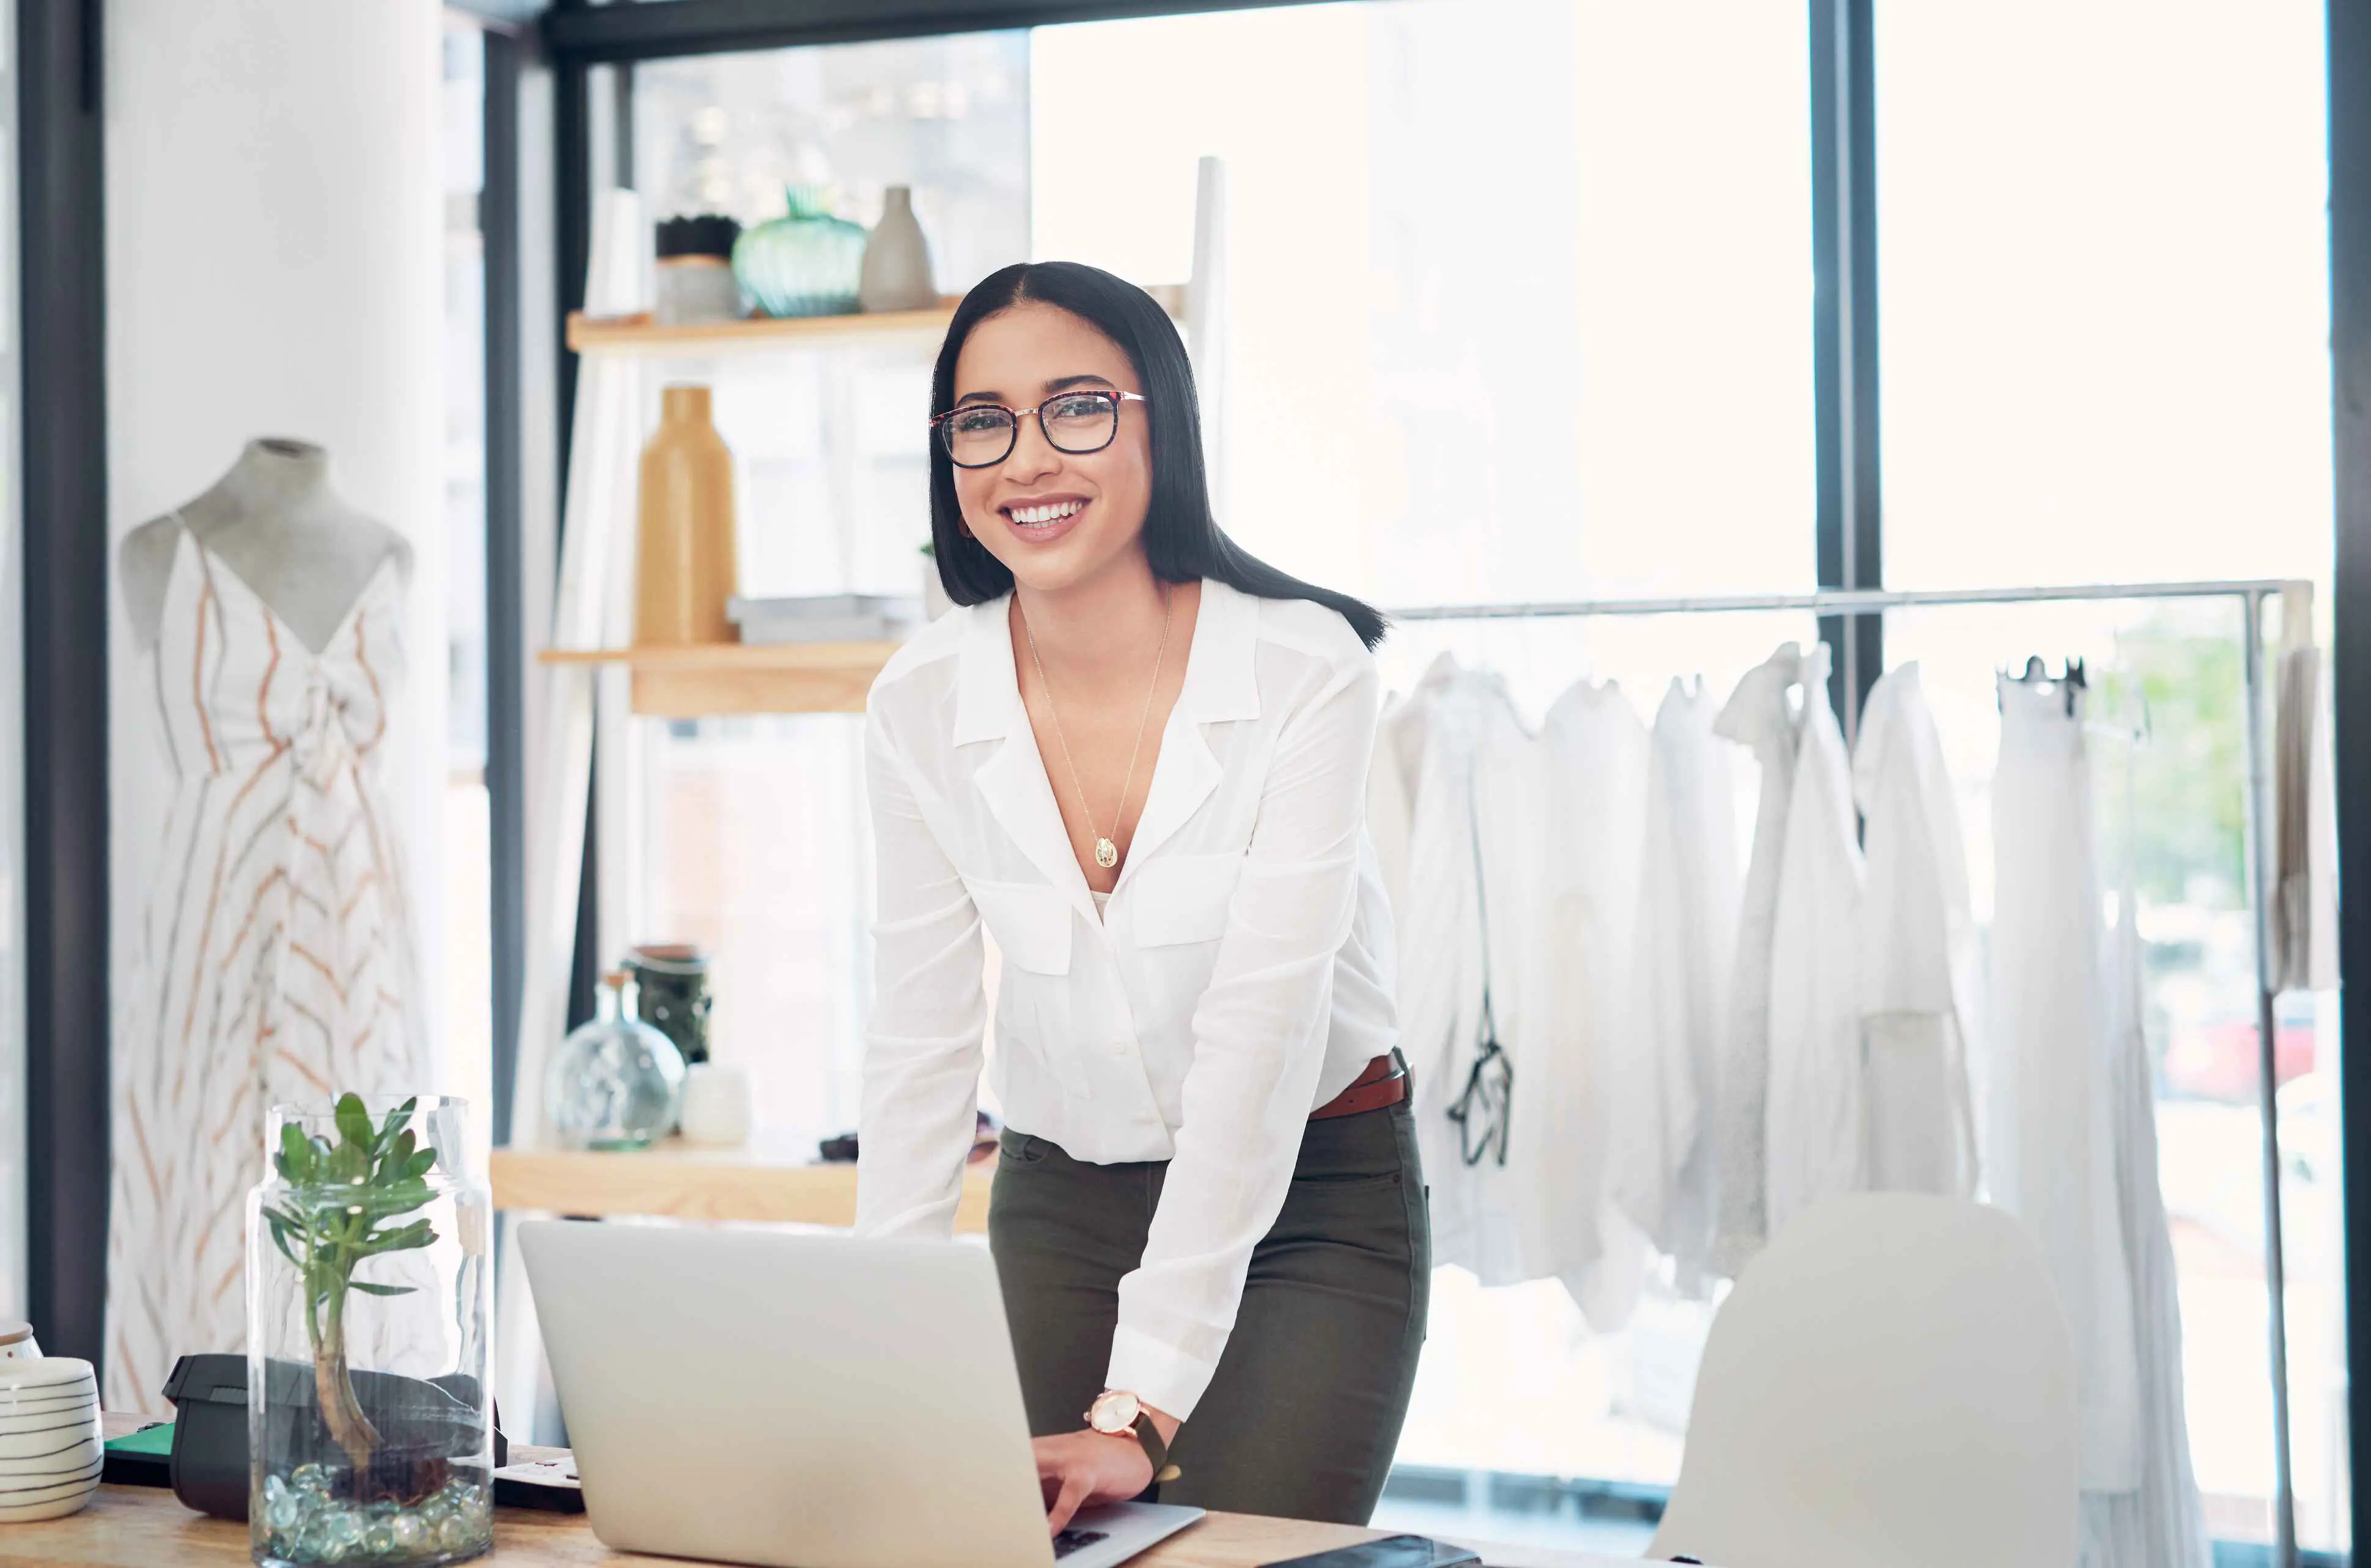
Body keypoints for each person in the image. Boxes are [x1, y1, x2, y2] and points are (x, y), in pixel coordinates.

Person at [855, 261, 1425, 1531]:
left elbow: (1261, 1037)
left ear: (1160, 419)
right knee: (1003, 1550)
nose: (1027, 459)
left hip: (1308, 1191)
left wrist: (1139, 1405)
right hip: (1062, 1195)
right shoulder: (918, 703)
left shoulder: (1303, 669)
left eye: (1077, 407)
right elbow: (918, 1040)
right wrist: (879, 1357)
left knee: (1239, 1553)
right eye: (982, 421)